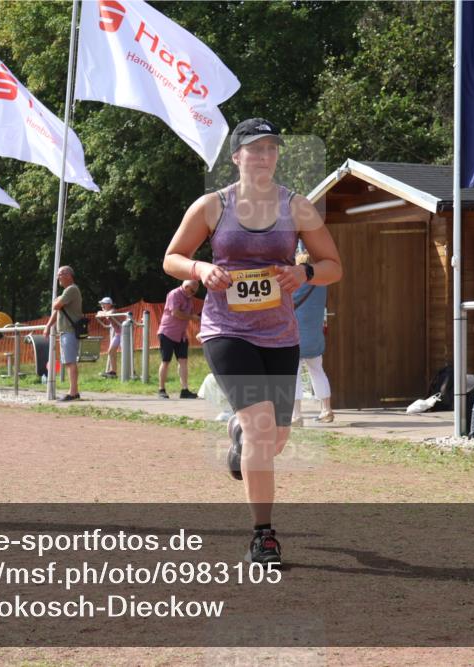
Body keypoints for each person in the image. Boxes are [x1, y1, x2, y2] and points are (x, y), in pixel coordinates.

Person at [163, 117, 342, 565]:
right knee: (265, 432)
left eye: (271, 149)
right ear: (237, 156)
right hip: (227, 330)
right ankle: (263, 536)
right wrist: (202, 270)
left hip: (280, 334)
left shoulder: (297, 207)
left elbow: (333, 265)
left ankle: (239, 432)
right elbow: (172, 258)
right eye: (255, 149)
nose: (264, 156)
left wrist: (303, 272)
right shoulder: (212, 205)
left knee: (276, 438)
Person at [290, 247, 333, 426]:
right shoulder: (322, 284)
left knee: (294, 375)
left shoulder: (295, 285)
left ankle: (296, 415)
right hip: (314, 336)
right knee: (318, 372)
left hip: (295, 337)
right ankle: (326, 409)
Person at [43, 265, 82, 401]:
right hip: (65, 331)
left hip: (69, 331)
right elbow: (56, 310)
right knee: (68, 361)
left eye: (60, 274)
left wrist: (56, 301)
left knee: (70, 362)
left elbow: (55, 306)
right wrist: (48, 326)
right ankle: (73, 391)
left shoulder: (71, 289)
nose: (58, 277)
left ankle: (73, 393)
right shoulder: (66, 292)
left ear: (69, 275)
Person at [156, 280, 201, 399]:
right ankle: (161, 389)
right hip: (167, 333)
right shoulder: (174, 294)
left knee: (183, 361)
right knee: (166, 361)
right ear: (186, 286)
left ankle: (185, 390)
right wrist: (192, 317)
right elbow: (175, 313)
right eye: (192, 291)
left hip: (181, 335)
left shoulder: (189, 298)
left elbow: (189, 315)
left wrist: (196, 318)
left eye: (195, 292)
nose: (193, 294)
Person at [95, 297, 122, 378]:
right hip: (118, 334)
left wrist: (102, 313)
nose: (102, 305)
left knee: (126, 353)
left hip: (125, 333)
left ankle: (131, 371)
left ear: (110, 304)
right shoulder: (107, 311)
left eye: (104, 304)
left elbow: (105, 314)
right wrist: (101, 312)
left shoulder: (113, 311)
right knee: (110, 351)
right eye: (101, 304)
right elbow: (99, 313)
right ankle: (113, 371)